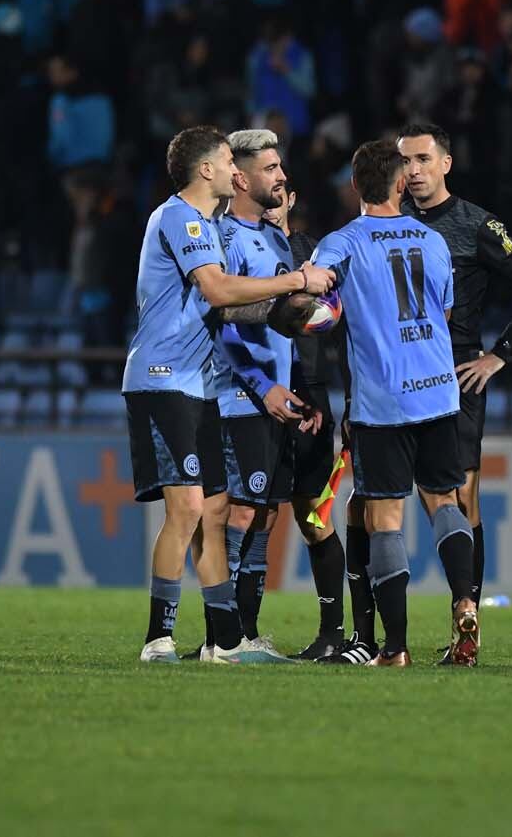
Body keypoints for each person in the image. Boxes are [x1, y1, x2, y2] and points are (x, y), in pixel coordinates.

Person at [125, 126, 334, 665]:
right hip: (162, 376)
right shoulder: (180, 217)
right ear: (206, 171)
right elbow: (218, 290)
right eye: (227, 161)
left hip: (199, 384)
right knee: (191, 508)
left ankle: (225, 641)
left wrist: (296, 311)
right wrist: (294, 283)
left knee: (214, 510)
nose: (236, 172)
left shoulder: (213, 229)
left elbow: (230, 309)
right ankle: (158, 638)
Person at [311, 140, 478, 668]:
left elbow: (313, 296)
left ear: (355, 187)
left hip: (383, 399)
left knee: (385, 518)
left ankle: (396, 647)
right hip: (438, 389)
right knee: (445, 503)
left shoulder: (341, 243)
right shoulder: (432, 241)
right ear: (401, 184)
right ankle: (465, 600)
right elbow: (444, 315)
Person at [395, 122, 512, 665]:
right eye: (405, 161)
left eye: (422, 159)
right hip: (398, 371)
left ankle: (468, 619)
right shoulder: (391, 220)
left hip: (456, 371)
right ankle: (378, 632)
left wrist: (500, 353)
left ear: (445, 163)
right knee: (404, 498)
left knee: (462, 497)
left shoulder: (475, 224)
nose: (413, 170)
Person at [213, 129, 319, 662]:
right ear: (241, 177)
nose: (281, 177)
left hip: (277, 397)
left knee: (266, 515)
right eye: (271, 168)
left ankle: (246, 633)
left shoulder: (277, 240)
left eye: (281, 166)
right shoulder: (224, 239)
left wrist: (298, 391)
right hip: (240, 398)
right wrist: (263, 386)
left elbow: (282, 324)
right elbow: (223, 321)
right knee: (240, 512)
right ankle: (223, 639)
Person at [262, 187, 349, 661]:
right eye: (266, 194)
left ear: (293, 200)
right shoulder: (241, 247)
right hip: (256, 395)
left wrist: (343, 397)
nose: (273, 204)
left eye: (280, 195)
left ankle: (332, 633)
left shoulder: (315, 256)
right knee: (251, 515)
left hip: (310, 397)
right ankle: (236, 634)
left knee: (313, 517)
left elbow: (347, 326)